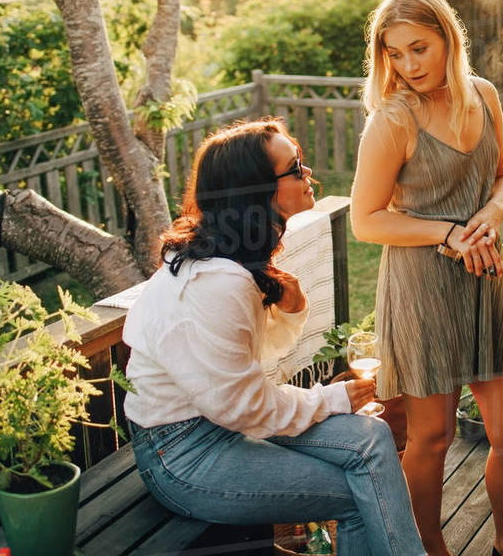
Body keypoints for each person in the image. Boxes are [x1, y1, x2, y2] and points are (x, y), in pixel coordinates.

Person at [122, 118, 425, 556]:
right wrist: (333, 399)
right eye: (295, 166)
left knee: (372, 438)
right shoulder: (215, 283)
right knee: (360, 494)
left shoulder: (230, 265)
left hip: (217, 422)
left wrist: (294, 303)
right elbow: (245, 408)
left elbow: (252, 359)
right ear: (257, 190)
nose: (308, 174)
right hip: (182, 453)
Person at [351, 0, 503, 556]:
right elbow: (366, 221)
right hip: (420, 284)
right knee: (432, 435)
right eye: (395, 54)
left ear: (448, 39)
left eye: (419, 49)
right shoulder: (393, 120)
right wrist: (449, 231)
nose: (407, 66)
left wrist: (489, 213)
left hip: (484, 280)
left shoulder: (484, 94)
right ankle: (428, 547)